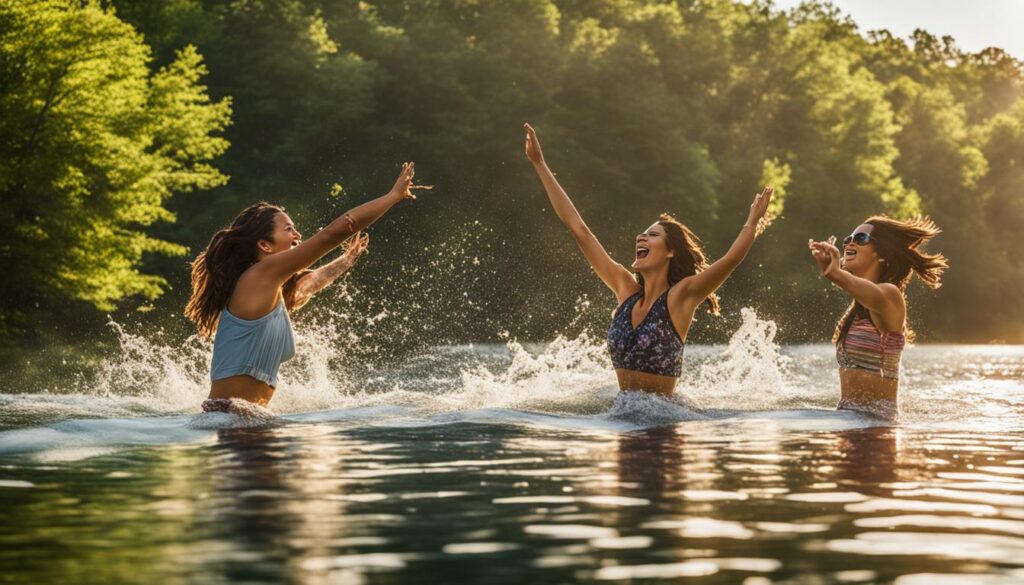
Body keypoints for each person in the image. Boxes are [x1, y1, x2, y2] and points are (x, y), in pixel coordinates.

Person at [523, 123, 773, 395]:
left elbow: (731, 259)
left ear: (670, 251)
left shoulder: (681, 297)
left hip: (662, 426)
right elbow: (579, 230)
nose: (641, 238)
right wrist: (539, 164)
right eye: (642, 234)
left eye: (652, 235)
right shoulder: (625, 289)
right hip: (622, 421)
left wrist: (752, 221)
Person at [185, 162, 429, 412]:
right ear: (265, 245)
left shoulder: (269, 288)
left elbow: (309, 284)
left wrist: (344, 261)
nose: (298, 235)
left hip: (243, 419)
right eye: (289, 229)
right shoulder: (258, 276)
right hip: (232, 420)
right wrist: (392, 197)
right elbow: (333, 233)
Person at [808, 216, 947, 414]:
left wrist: (833, 270)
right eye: (848, 239)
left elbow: (859, 288)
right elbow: (854, 286)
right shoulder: (856, 309)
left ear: (881, 253)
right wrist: (830, 269)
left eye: (861, 238)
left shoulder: (890, 295)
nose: (851, 242)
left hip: (878, 429)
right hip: (847, 425)